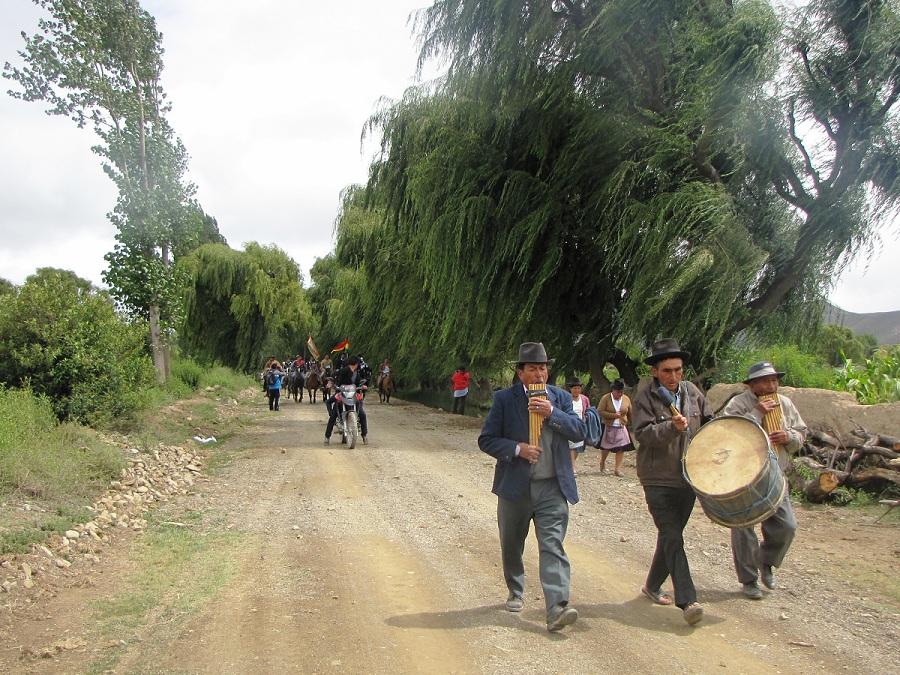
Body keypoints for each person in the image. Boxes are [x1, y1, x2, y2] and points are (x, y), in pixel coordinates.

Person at [478, 342, 585, 632]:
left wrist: (552, 413)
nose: (540, 373)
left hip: (552, 487)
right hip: (515, 487)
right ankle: (516, 588)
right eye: (533, 368)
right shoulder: (504, 399)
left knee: (553, 545)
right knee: (511, 542)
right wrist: (517, 449)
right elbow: (486, 439)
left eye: (543, 368)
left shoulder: (561, 398)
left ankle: (557, 607)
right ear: (521, 373)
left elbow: (579, 431)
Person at [632, 338, 712, 626]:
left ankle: (652, 585)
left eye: (678, 370)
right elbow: (642, 434)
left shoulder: (692, 393)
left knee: (671, 534)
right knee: (673, 535)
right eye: (667, 370)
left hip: (688, 478)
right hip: (657, 478)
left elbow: (709, 423)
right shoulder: (645, 397)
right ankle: (688, 600)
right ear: (655, 371)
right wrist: (670, 428)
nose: (674, 376)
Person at [723, 361, 807, 600]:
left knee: (787, 525)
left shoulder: (785, 404)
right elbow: (727, 435)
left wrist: (788, 436)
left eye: (774, 380)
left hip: (775, 474)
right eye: (766, 381)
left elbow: (801, 434)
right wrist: (757, 413)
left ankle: (766, 561)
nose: (772, 385)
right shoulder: (737, 404)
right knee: (743, 529)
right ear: (753, 385)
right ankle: (749, 580)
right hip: (744, 476)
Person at [324, 356, 368, 445]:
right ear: (355, 364)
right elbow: (335, 374)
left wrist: (363, 385)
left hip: (353, 394)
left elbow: (359, 381)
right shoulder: (345, 370)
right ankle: (327, 437)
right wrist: (330, 382)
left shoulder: (356, 372)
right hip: (342, 394)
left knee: (362, 414)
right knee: (333, 415)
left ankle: (364, 435)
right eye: (358, 363)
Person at [597, 378, 633, 477]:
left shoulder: (626, 399)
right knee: (606, 447)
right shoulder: (606, 398)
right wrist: (613, 415)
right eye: (618, 392)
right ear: (613, 390)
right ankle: (602, 462)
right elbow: (600, 411)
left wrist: (633, 423)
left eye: (621, 392)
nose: (620, 394)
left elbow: (630, 413)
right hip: (609, 425)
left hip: (621, 426)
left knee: (621, 448)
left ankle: (617, 469)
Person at [565, 377, 590, 473]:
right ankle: (572, 468)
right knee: (571, 446)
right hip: (569, 425)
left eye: (578, 388)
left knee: (577, 447)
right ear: (571, 389)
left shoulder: (584, 399)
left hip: (580, 425)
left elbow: (587, 410)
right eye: (575, 388)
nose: (577, 390)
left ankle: (570, 464)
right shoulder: (566, 398)